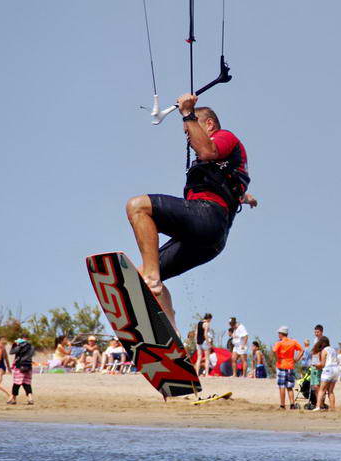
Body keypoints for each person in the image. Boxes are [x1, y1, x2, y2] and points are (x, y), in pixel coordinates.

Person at [125, 95, 256, 331]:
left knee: (137, 206)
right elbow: (229, 187)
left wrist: (188, 113)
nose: (189, 137)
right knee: (139, 278)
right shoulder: (227, 170)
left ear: (208, 125)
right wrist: (246, 198)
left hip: (207, 218)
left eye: (190, 130)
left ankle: (152, 279)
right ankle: (171, 331)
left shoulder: (225, 137)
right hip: (211, 240)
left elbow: (207, 151)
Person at [272, 326, 304, 409]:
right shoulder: (293, 342)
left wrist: (277, 358)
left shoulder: (279, 342)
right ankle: (292, 405)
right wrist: (296, 359)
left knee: (282, 386)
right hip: (290, 366)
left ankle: (282, 405)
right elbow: (302, 350)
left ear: (280, 334)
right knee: (289, 387)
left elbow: (274, 350)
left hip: (281, 365)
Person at [314, 337, 340, 411]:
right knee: (331, 391)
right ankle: (332, 408)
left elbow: (322, 364)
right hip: (336, 370)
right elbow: (337, 361)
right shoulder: (333, 350)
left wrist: (316, 366)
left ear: (322, 343)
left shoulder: (324, 350)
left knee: (322, 390)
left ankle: (318, 406)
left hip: (328, 370)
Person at [8, 336, 35, 405]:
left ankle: (13, 399)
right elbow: (31, 354)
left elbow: (11, 352)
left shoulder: (20, 346)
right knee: (26, 383)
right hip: (28, 366)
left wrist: (15, 345)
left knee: (16, 383)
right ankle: (30, 398)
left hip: (20, 366)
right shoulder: (31, 346)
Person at [310, 325, 326, 395]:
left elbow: (323, 352)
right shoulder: (315, 340)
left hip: (319, 364)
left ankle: (321, 403)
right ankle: (318, 403)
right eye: (315, 332)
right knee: (314, 385)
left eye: (318, 332)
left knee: (318, 385)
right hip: (314, 363)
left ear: (322, 332)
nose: (316, 334)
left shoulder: (323, 341)